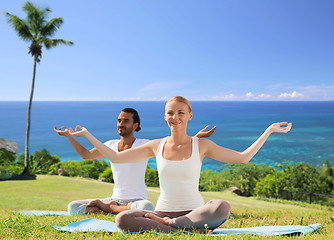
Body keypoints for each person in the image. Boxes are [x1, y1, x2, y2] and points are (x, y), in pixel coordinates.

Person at [67, 96, 292, 232]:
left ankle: (171, 226)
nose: (175, 117)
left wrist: (269, 131)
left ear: (190, 115)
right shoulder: (155, 146)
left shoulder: (201, 145)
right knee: (122, 219)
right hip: (163, 210)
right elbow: (115, 157)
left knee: (222, 206)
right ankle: (177, 226)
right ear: (165, 116)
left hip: (195, 211)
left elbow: (243, 158)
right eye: (170, 113)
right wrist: (86, 134)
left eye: (181, 113)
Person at [54, 107, 215, 215]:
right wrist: (69, 136)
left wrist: (197, 138)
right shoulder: (110, 146)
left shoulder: (144, 144)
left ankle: (108, 209)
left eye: (125, 121)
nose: (120, 124)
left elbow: (175, 146)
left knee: (147, 207)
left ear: (135, 124)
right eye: (119, 120)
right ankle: (112, 208)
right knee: (73, 207)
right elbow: (86, 154)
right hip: (114, 199)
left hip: (136, 202)